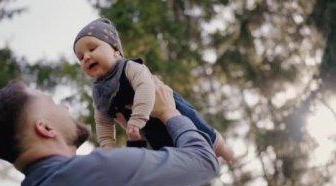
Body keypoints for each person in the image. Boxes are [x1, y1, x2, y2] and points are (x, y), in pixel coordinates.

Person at [0, 79, 220, 186]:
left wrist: (135, 144)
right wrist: (169, 112)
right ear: (46, 128)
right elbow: (204, 161)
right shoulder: (100, 172)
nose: (66, 108)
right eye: (54, 103)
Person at [73, 18, 234, 164]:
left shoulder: (129, 67)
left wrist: (137, 118)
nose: (86, 57)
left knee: (198, 127)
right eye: (80, 57)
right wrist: (107, 145)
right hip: (146, 126)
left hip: (167, 108)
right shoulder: (99, 91)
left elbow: (145, 87)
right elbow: (102, 119)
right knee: (164, 149)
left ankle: (222, 149)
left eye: (92, 49)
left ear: (116, 51)